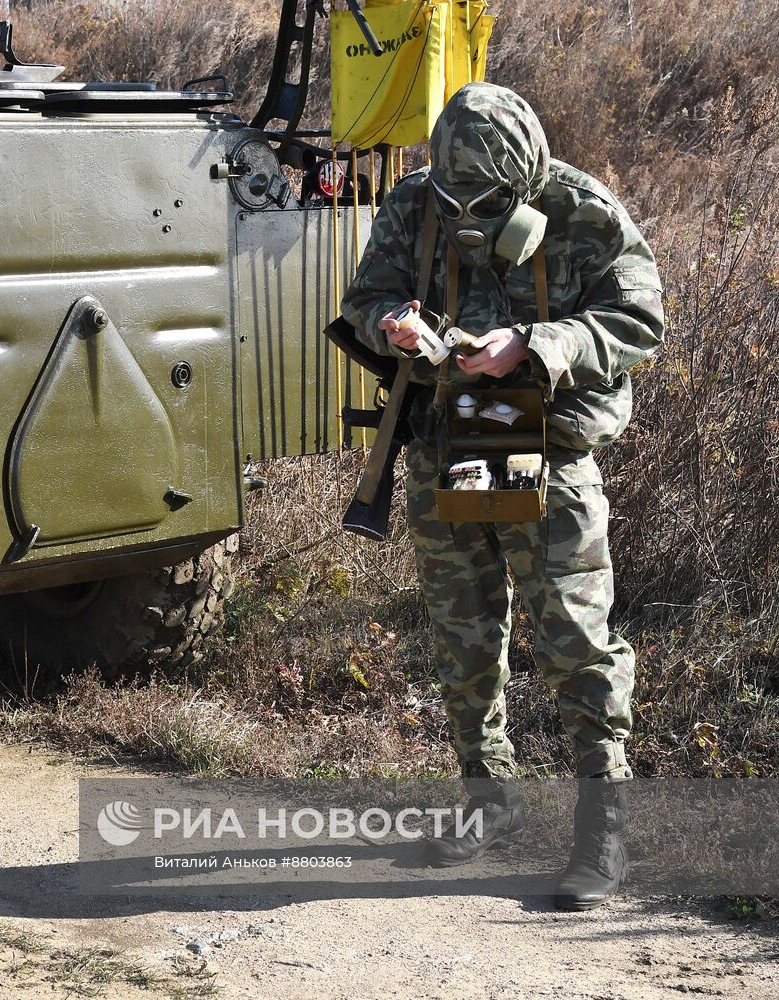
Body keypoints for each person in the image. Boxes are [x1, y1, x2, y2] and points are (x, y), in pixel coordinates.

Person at [341, 82, 665, 909]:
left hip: (546, 444)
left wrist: (536, 341)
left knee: (572, 637)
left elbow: (638, 319)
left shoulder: (582, 210)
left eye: (483, 199)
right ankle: (488, 800)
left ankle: (602, 832)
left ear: (522, 178)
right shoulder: (416, 203)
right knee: (463, 632)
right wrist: (394, 325)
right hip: (453, 437)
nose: (464, 212)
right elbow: (366, 296)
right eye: (454, 197)